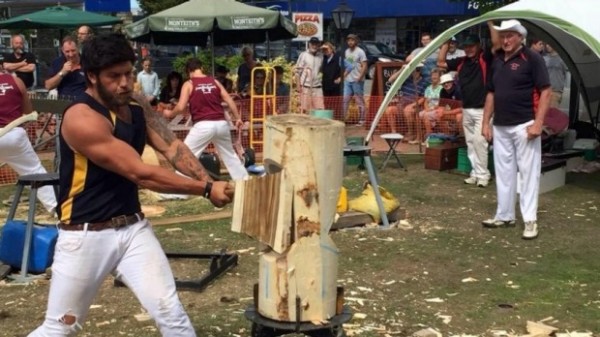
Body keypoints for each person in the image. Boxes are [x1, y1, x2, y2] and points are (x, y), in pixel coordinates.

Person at [28, 33, 234, 336]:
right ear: (92, 76)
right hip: (85, 235)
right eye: (114, 76)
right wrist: (204, 190)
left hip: (133, 229)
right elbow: (141, 173)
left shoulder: (136, 104)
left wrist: (211, 181)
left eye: (128, 73)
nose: (125, 83)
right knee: (60, 328)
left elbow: (172, 148)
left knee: (171, 312)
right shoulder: (81, 118)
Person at [481, 20, 551, 240]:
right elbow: (491, 93)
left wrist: (538, 123)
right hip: (501, 125)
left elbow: (546, 91)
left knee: (529, 174)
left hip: (524, 124)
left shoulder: (532, 58)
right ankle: (504, 215)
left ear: (520, 37)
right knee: (503, 173)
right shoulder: (497, 61)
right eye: (503, 36)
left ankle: (530, 220)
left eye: (510, 36)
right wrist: (485, 123)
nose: (506, 40)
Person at [164, 57, 248, 182]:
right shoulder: (215, 81)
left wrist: (170, 113)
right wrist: (238, 119)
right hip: (221, 124)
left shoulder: (189, 84)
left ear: (188, 71)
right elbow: (229, 100)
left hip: (203, 125)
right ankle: (244, 181)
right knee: (230, 156)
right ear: (201, 68)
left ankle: (179, 189)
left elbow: (181, 107)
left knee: (186, 156)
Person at [437, 24, 500, 187]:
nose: (469, 49)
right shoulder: (461, 61)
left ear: (478, 46)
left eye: (472, 46)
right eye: (466, 46)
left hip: (482, 110)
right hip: (467, 109)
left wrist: (491, 23)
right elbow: (441, 62)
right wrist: (447, 41)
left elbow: (497, 45)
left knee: (480, 141)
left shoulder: (485, 57)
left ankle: (484, 174)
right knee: (471, 142)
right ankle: (475, 172)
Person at [0, 65, 56, 214]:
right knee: (35, 172)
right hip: (13, 133)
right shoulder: (16, 81)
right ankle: (58, 211)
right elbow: (28, 112)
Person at [383, 63, 426, 134]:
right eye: (413, 70)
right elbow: (390, 80)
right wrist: (402, 69)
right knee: (389, 110)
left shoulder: (424, 82)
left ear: (420, 71)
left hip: (416, 106)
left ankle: (410, 133)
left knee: (408, 110)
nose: (415, 72)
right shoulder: (407, 79)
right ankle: (394, 133)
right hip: (402, 105)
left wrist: (412, 105)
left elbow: (423, 98)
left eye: (417, 70)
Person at [411, 68, 443, 144]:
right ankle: (419, 138)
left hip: (437, 109)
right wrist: (427, 108)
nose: (433, 77)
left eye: (435, 76)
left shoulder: (442, 88)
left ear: (439, 77)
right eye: (432, 76)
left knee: (426, 116)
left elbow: (441, 102)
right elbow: (425, 101)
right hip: (428, 109)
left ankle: (429, 139)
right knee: (418, 115)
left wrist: (432, 109)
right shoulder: (428, 88)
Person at [342, 34, 368, 125]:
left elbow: (364, 65)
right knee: (345, 99)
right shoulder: (346, 52)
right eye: (349, 40)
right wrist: (344, 76)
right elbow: (346, 65)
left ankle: (362, 120)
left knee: (359, 100)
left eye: (352, 40)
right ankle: (343, 119)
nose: (350, 42)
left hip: (357, 80)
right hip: (348, 80)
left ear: (356, 41)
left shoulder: (360, 52)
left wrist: (360, 77)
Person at [295, 37, 325, 114]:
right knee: (304, 109)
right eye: (312, 44)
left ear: (318, 45)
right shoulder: (303, 55)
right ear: (309, 44)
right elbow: (297, 71)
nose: (314, 46)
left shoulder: (321, 56)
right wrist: (298, 86)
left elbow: (322, 70)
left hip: (317, 86)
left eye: (316, 44)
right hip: (305, 86)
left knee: (320, 109)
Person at [321, 41, 343, 119]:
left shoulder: (338, 58)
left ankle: (336, 119)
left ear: (331, 49)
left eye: (327, 49)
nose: (325, 51)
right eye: (324, 50)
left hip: (335, 86)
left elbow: (349, 67)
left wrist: (341, 78)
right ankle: (329, 119)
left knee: (335, 105)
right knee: (327, 104)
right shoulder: (324, 58)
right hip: (326, 85)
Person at [544, 43, 568, 108]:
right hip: (544, 90)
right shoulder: (544, 59)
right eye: (546, 44)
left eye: (549, 44)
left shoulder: (562, 60)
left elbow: (565, 73)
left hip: (555, 91)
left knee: (552, 114)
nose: (547, 46)